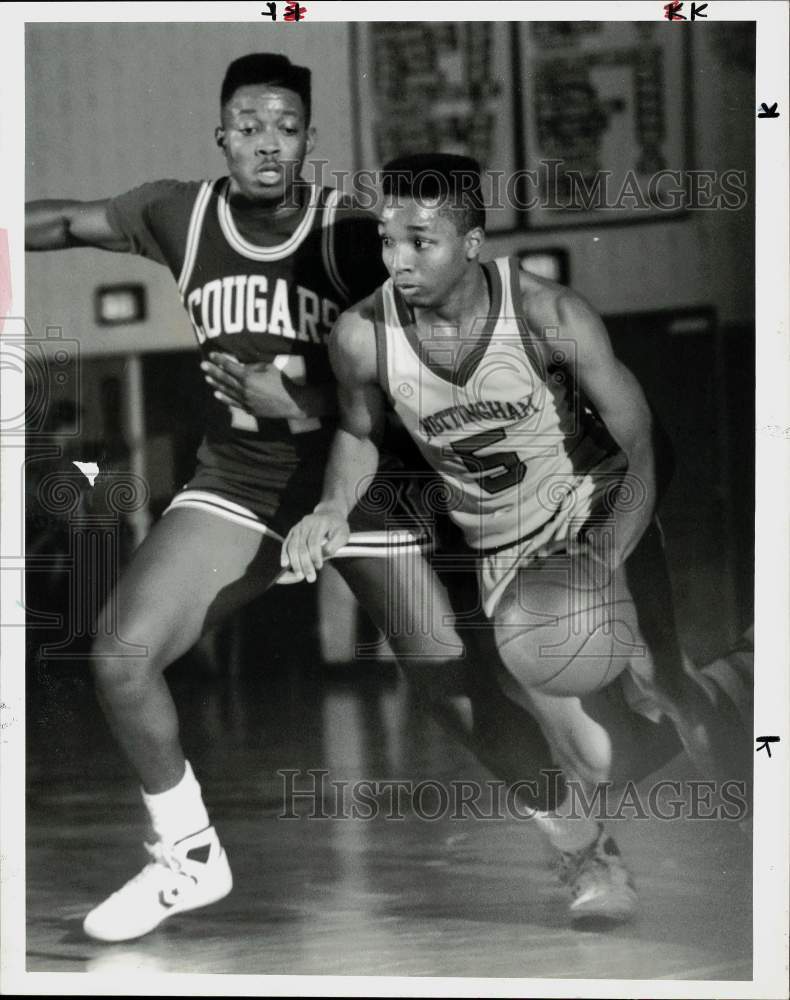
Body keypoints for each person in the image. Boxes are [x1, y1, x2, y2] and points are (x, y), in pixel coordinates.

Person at [27, 53, 607, 943]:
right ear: (222, 134)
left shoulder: (358, 237)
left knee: (450, 687)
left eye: (287, 128)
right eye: (250, 127)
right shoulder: (176, 213)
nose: (268, 144)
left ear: (309, 140)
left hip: (363, 485)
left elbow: (428, 381)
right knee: (119, 655)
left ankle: (584, 844)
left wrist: (297, 401)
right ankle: (188, 855)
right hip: (243, 485)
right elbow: (63, 223)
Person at [282, 153, 752, 924]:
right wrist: (333, 506)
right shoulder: (363, 335)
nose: (398, 261)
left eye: (421, 242)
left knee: (670, 693)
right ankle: (606, 848)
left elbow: (637, 441)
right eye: (388, 242)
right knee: (600, 760)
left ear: (472, 240)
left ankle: (736, 706)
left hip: (596, 519)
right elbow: (359, 432)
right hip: (501, 551)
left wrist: (606, 554)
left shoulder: (546, 312)